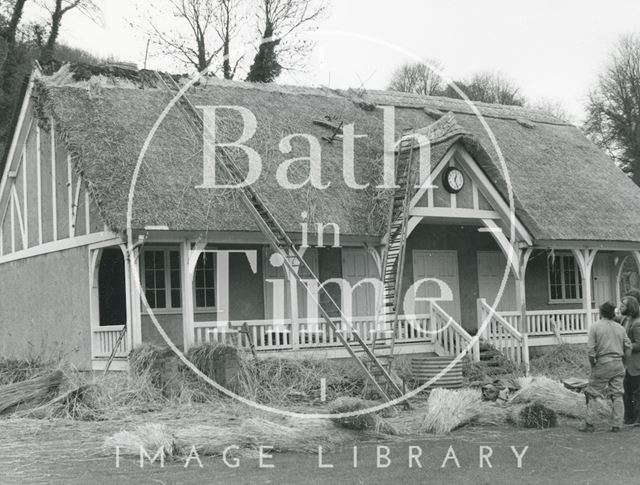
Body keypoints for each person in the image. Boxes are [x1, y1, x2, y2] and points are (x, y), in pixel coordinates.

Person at [580, 301, 632, 432]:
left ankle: (590, 423)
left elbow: (590, 350)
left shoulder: (595, 327)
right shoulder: (620, 328)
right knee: (617, 394)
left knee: (593, 393)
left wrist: (593, 365)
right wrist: (625, 363)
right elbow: (629, 346)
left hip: (603, 362)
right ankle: (617, 424)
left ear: (601, 313)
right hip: (618, 363)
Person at [619, 295, 640, 424]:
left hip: (636, 365)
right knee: (627, 394)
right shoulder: (626, 320)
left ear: (630, 307)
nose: (619, 307)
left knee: (637, 394)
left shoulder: (637, 323)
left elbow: (639, 344)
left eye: (622, 306)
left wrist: (626, 346)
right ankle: (628, 418)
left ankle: (637, 420)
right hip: (627, 364)